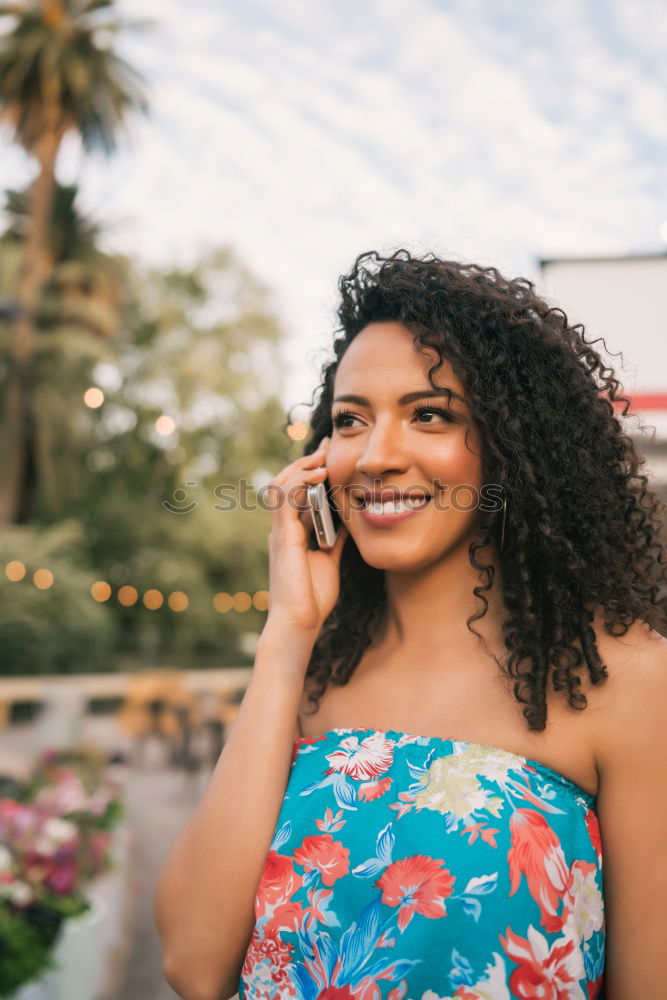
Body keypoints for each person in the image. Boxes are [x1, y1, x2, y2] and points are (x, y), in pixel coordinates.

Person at [154, 249, 667, 1000]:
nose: (376, 456)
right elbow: (193, 967)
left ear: (512, 445)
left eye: (429, 415)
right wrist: (287, 636)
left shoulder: (624, 678)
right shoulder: (313, 671)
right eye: (349, 421)